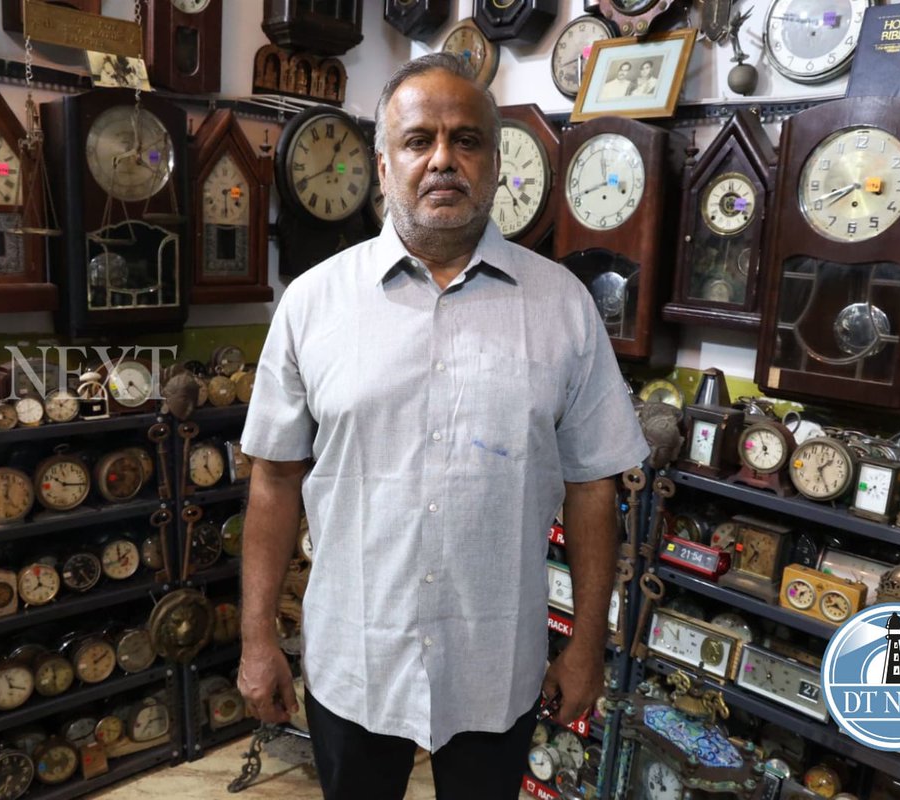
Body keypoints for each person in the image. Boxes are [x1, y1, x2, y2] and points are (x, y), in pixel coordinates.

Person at [236, 52, 648, 800]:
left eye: (467, 140)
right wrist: (256, 637)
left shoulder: (561, 307)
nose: (443, 160)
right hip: (354, 659)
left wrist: (587, 644)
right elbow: (273, 477)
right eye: (418, 140)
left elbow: (594, 486)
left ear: (496, 164)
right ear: (382, 165)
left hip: (496, 663)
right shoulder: (312, 305)